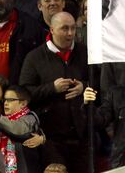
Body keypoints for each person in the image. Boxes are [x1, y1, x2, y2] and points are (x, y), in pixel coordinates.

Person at [19, 12, 89, 173]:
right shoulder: (34, 57)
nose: (70, 33)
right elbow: (24, 94)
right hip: (49, 137)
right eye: (65, 28)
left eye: (73, 28)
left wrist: (84, 86)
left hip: (82, 134)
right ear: (51, 29)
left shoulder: (85, 52)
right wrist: (52, 88)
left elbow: (101, 83)